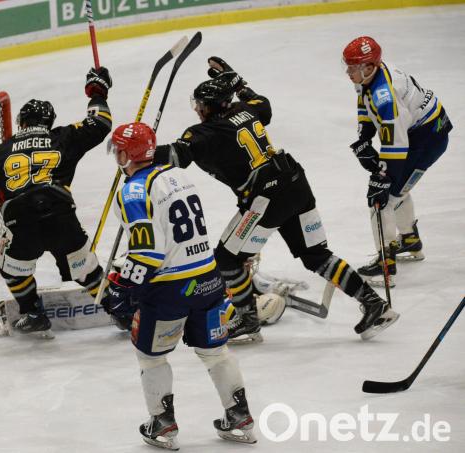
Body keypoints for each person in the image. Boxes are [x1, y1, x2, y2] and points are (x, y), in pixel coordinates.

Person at [152, 57, 399, 342]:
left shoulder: (203, 132)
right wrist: (239, 82)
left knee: (227, 260)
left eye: (199, 104)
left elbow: (177, 156)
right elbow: (263, 104)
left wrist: (142, 150)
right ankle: (374, 304)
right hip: (295, 182)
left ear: (210, 107)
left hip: (266, 198)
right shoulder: (246, 109)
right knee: (316, 255)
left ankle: (247, 318)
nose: (197, 109)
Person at [102, 122, 256, 449]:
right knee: (215, 352)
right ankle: (239, 415)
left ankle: (162, 424)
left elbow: (147, 252)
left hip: (169, 289)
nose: (116, 154)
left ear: (127, 154)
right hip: (209, 280)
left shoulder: (132, 190)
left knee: (151, 357)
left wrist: (122, 285)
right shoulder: (177, 175)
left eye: (118, 149)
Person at [0, 67, 113, 336]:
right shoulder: (62, 136)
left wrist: (1, 195)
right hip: (60, 211)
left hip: (21, 217)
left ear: (22, 123)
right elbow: (101, 123)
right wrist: (97, 92)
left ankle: (32, 311)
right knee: (84, 265)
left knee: (9, 264)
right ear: (48, 122)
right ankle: (119, 309)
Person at [343, 36, 452, 287]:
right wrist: (365, 136)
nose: (348, 72)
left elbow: (396, 146)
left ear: (369, 67)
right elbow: (363, 99)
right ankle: (409, 241)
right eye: (347, 66)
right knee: (396, 191)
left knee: (382, 200)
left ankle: (386, 265)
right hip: (421, 132)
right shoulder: (370, 74)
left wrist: (384, 178)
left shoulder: (386, 98)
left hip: (425, 140)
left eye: (353, 67)